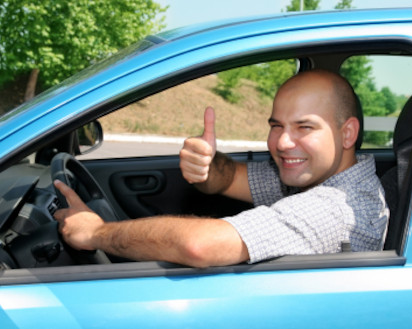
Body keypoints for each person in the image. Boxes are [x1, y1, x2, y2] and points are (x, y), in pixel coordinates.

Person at [54, 69, 389, 268]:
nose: (284, 143)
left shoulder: (338, 208)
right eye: (277, 125)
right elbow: (230, 179)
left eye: (305, 127)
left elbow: (200, 245)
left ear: (347, 133)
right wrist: (208, 166)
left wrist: (96, 233)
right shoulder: (318, 175)